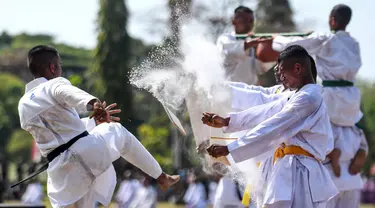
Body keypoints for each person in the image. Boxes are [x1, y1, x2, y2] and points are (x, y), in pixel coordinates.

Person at [17, 45, 180, 208]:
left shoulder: (23, 105)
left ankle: (161, 177)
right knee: (118, 131)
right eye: (59, 65)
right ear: (53, 67)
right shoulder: (54, 85)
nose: (60, 69)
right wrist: (94, 104)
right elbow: (70, 94)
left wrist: (93, 122)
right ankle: (161, 177)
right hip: (86, 153)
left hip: (61, 171)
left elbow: (58, 132)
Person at [202, 45, 338, 208]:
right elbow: (266, 111)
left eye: (282, 71)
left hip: (303, 173)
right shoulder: (295, 95)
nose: (280, 77)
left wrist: (231, 148)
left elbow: (274, 126)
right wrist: (228, 122)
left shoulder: (309, 98)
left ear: (297, 68)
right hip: (287, 168)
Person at [272, 4, 368, 208]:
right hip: (351, 97)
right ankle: (355, 150)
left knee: (323, 128)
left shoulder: (325, 38)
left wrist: (275, 39)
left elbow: (293, 46)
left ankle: (332, 152)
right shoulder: (354, 44)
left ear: (332, 19)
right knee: (350, 128)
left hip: (331, 95)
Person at [216, 6, 271, 85]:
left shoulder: (253, 43)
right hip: (229, 90)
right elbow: (229, 53)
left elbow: (260, 69)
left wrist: (265, 49)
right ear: (234, 22)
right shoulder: (225, 39)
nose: (248, 24)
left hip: (249, 91)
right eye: (244, 21)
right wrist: (249, 44)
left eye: (251, 21)